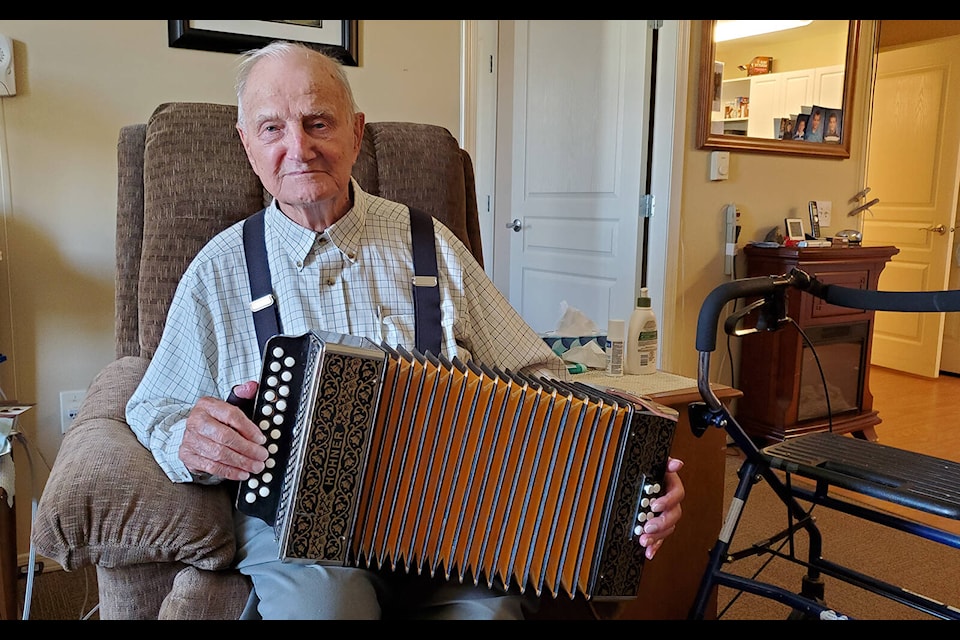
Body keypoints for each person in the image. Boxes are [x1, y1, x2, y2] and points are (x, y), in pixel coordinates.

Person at [126, 41, 686, 620]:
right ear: (247, 144)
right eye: (272, 128)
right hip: (296, 531)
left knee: (492, 617)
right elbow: (153, 407)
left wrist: (631, 471)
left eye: (319, 122)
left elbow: (537, 376)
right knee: (326, 612)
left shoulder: (430, 245)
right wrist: (190, 440)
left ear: (356, 132)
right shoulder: (219, 269)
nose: (299, 147)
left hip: (450, 519)